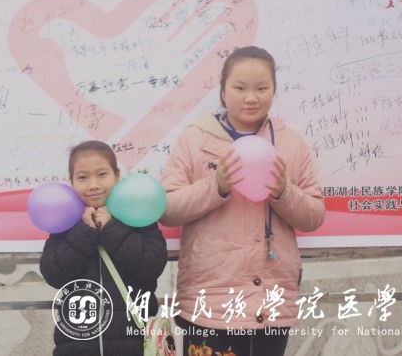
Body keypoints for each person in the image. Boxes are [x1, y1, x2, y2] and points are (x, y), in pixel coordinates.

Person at [160, 46, 325, 356]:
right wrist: (216, 186)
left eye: (262, 88)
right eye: (239, 88)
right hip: (210, 303)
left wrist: (283, 192)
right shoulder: (195, 139)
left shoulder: (291, 143)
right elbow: (167, 209)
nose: (251, 98)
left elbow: (314, 216)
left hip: (272, 303)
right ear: (223, 91)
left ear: (274, 90)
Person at [40, 140, 168, 356]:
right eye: (82, 177)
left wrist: (111, 228)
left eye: (102, 174)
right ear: (71, 182)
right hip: (76, 343)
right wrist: (84, 231)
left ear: (116, 176)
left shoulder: (138, 216)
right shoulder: (66, 223)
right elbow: (53, 274)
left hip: (132, 343)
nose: (93, 185)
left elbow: (151, 267)